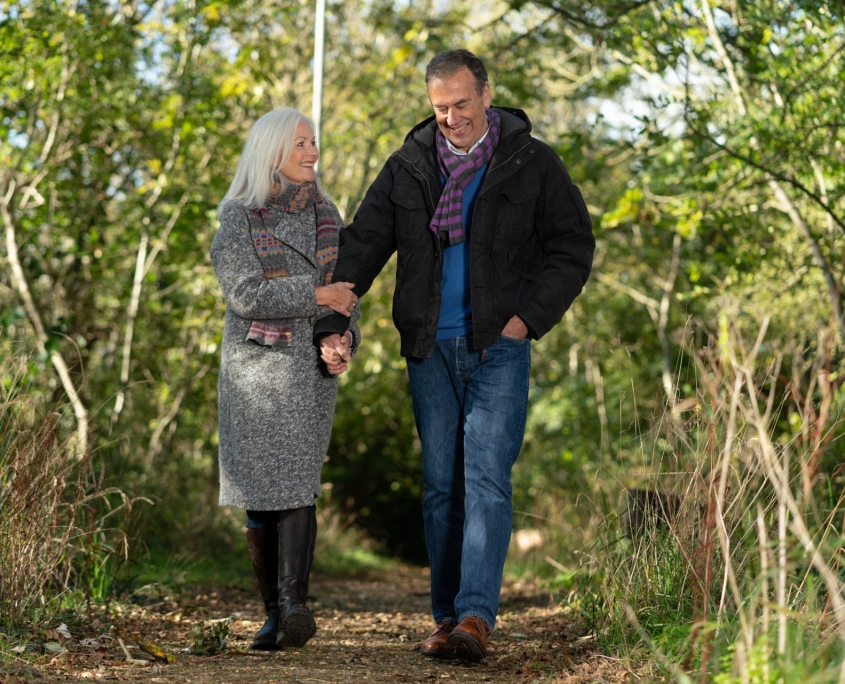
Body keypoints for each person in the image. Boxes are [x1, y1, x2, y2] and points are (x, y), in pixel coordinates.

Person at [315, 49, 595, 662]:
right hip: (428, 344)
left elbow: (573, 247)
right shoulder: (409, 166)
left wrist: (528, 320)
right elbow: (363, 244)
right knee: (442, 486)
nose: (451, 118)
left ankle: (475, 616)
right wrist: (334, 318)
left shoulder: (531, 162)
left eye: (461, 104)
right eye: (440, 107)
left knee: (487, 480)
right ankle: (445, 618)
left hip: (500, 343)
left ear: (487, 95)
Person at [211, 107, 359, 651]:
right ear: (271, 150)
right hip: (254, 374)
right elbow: (246, 294)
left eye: (313, 141)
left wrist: (343, 339)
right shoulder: (238, 216)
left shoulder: (328, 214)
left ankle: (295, 604)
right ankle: (273, 613)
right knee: (260, 496)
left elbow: (346, 290)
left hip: (307, 372)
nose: (312, 151)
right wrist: (318, 295)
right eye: (300, 143)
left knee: (298, 486)